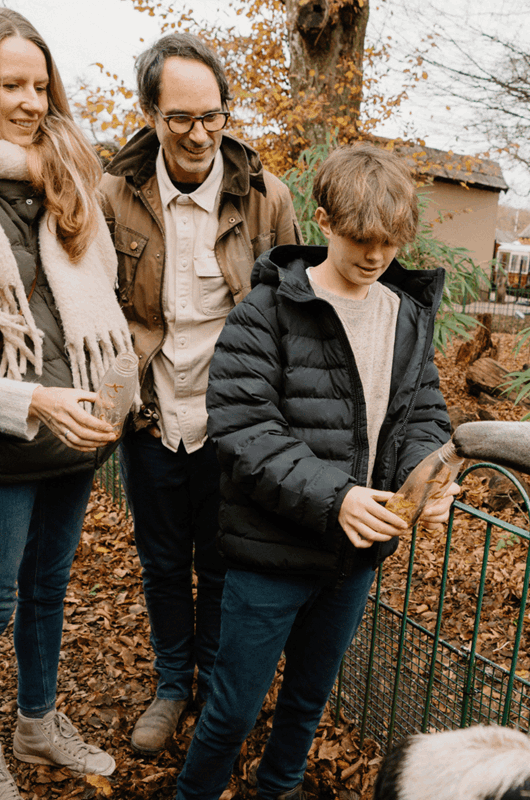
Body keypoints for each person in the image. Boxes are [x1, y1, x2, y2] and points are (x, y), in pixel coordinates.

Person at [174, 142, 459, 800]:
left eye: (391, 242)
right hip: (267, 558)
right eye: (361, 238)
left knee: (307, 705)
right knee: (231, 713)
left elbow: (423, 415)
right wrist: (337, 498)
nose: (376, 257)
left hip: (353, 558)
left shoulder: (406, 314)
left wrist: (427, 477)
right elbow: (245, 429)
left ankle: (277, 790)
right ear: (324, 221)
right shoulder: (265, 312)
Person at [100, 33, 301, 755]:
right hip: (152, 414)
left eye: (212, 115)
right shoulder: (114, 194)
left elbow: (292, 314)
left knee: (220, 560)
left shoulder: (267, 198)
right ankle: (172, 684)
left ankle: (215, 686)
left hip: (233, 423)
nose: (199, 133)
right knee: (161, 562)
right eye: (180, 116)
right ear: (151, 112)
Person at [0, 9, 134, 798]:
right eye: (9, 84)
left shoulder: (69, 180)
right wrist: (34, 398)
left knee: (49, 588)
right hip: (11, 438)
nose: (28, 102)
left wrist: (104, 397)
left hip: (79, 430)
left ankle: (38, 722)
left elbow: (104, 302)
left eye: (39, 86)